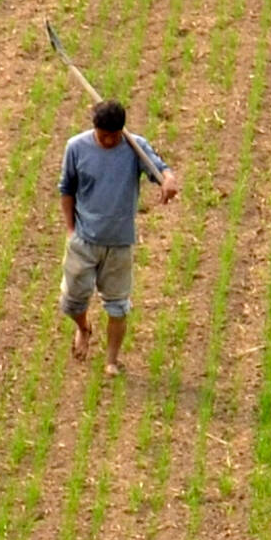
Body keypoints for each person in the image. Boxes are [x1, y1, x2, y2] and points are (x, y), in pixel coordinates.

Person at [54, 98, 176, 368]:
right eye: (103, 136)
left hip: (119, 243)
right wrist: (71, 229)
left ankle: (112, 361)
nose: (109, 141)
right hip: (84, 240)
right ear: (94, 128)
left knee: (118, 306)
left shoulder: (135, 146)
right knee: (71, 302)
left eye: (114, 136)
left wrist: (168, 180)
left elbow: (160, 169)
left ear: (122, 130)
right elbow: (66, 189)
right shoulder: (76, 147)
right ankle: (83, 327)